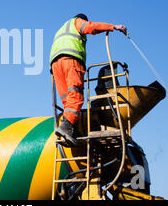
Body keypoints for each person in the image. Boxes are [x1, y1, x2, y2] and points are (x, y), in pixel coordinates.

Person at [50, 13, 127, 146]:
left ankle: (70, 129)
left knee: (67, 101)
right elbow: (91, 27)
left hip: (55, 65)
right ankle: (66, 126)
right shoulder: (77, 22)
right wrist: (113, 26)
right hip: (71, 61)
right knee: (76, 95)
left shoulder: (61, 29)